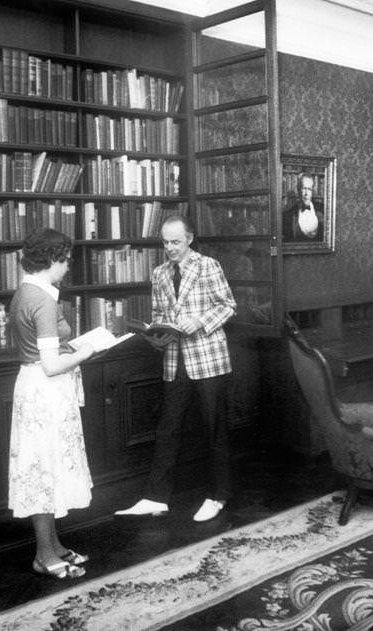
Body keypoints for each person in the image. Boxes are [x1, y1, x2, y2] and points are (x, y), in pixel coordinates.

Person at [115, 213, 237, 522]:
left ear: (190, 239)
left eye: (176, 242)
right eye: (165, 242)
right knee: (168, 429)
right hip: (174, 360)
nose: (170, 248)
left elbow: (227, 306)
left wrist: (199, 321)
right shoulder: (159, 273)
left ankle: (217, 495)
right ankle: (156, 497)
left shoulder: (208, 266)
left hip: (208, 359)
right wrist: (156, 338)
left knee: (213, 429)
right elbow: (159, 313)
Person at [8, 227, 96, 578]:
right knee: (43, 473)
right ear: (54, 259)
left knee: (46, 470)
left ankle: (54, 545)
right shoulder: (43, 298)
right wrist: (87, 351)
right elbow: (50, 364)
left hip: (34, 389)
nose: (68, 266)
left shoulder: (26, 290)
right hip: (44, 393)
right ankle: (44, 554)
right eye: (66, 259)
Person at [282, 171, 325, 241]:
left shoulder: (323, 210)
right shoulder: (288, 215)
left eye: (309, 189)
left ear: (312, 192)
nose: (306, 193)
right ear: (298, 190)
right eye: (303, 188)